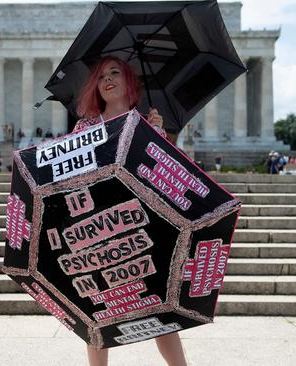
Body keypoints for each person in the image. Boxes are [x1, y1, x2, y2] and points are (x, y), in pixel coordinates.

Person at [73, 56, 186, 366]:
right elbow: (71, 176)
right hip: (98, 226)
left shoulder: (146, 123)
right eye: (100, 76)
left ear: (129, 82)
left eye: (114, 73)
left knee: (158, 308)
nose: (106, 79)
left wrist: (158, 135)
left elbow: (163, 178)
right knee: (97, 311)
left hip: (140, 228)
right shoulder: (85, 126)